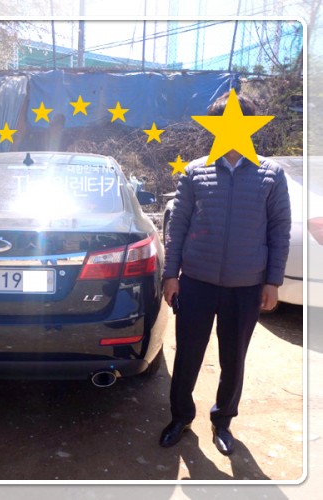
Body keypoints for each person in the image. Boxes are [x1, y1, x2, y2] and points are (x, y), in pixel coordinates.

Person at [159, 91, 291, 455]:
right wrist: (171, 275)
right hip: (196, 283)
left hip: (246, 286)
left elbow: (279, 230)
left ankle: (223, 421)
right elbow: (178, 226)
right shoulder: (195, 171)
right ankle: (180, 417)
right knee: (187, 355)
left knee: (234, 359)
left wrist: (273, 281)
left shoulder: (270, 174)